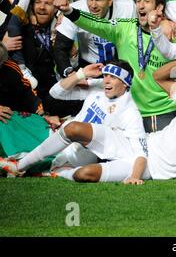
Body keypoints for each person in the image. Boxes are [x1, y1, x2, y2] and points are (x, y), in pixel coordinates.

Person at [47, 56, 176, 185]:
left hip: (152, 169)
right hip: (142, 143)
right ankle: (36, 160)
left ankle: (56, 173)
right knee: (78, 129)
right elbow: (158, 77)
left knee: (85, 174)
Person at [53, 0, 176, 133]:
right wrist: (69, 11)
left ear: (159, 7)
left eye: (147, 1)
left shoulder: (175, 35)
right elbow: (95, 23)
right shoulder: (124, 27)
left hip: (163, 111)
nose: (141, 5)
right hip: (128, 109)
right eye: (138, 1)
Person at [0, 60, 148, 184]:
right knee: (10, 118)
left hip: (79, 152)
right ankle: (27, 166)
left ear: (125, 83)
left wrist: (134, 176)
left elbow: (140, 152)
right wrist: (81, 74)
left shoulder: (130, 112)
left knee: (69, 151)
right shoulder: (98, 88)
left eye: (113, 77)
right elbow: (56, 93)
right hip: (60, 134)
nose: (106, 80)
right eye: (106, 75)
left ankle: (21, 166)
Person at [8, 0, 82, 117]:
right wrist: (3, 43)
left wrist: (73, 55)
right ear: (32, 5)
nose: (41, 7)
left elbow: (71, 67)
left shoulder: (62, 29)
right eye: (38, 2)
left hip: (49, 91)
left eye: (47, 3)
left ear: (55, 8)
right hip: (20, 93)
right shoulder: (21, 25)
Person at [54, 0, 136, 78]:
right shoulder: (73, 10)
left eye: (98, 0)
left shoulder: (128, 8)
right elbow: (60, 48)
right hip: (88, 67)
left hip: (121, 67)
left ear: (110, 1)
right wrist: (70, 74)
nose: (93, 5)